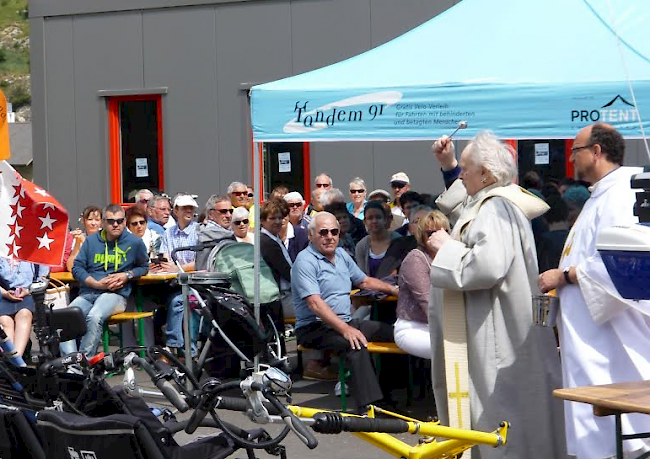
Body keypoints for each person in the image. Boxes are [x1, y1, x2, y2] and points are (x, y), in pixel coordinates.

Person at [428, 131, 566, 459]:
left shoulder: (497, 208)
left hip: (495, 338)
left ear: (486, 174)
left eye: (464, 169)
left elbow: (487, 266)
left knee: (499, 418)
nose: (460, 175)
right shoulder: (496, 201)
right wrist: (448, 164)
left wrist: (445, 249)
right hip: (490, 329)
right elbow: (466, 208)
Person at [538, 123, 650, 459]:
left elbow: (623, 260)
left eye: (575, 150)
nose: (570, 159)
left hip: (610, 337)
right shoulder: (601, 194)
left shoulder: (618, 195)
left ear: (596, 152)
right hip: (590, 333)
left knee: (619, 427)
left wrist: (566, 275)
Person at [292, 212, 400, 411]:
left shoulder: (341, 254)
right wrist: (345, 329)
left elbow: (364, 281)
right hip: (313, 328)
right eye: (323, 232)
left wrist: (395, 290)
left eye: (334, 232)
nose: (330, 236)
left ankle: (388, 398)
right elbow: (314, 304)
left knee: (396, 335)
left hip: (344, 321)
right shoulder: (305, 261)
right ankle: (369, 407)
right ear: (310, 235)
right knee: (355, 344)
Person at [60, 204, 149, 357]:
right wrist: (93, 282)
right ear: (103, 223)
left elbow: (144, 267)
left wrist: (127, 275)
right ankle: (71, 362)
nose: (116, 224)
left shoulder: (134, 242)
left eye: (120, 221)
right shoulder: (91, 241)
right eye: (111, 221)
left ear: (124, 221)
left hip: (115, 294)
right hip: (89, 292)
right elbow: (77, 268)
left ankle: (85, 362)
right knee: (64, 319)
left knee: (94, 316)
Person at [394, 210, 448, 359]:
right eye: (431, 233)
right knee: (452, 350)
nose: (437, 237)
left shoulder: (448, 258)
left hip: (438, 326)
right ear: (421, 237)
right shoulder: (416, 258)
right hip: (412, 328)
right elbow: (428, 302)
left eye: (443, 232)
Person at [154, 194, 201, 356]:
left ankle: (174, 345)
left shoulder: (199, 231)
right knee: (165, 301)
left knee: (177, 302)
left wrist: (177, 267)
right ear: (176, 211)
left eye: (191, 208)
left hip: (195, 284)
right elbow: (165, 258)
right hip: (175, 283)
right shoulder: (169, 233)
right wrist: (172, 267)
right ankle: (185, 352)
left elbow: (200, 262)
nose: (189, 211)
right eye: (185, 208)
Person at [0, 257, 48, 357]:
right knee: (5, 321)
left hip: (29, 293)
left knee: (24, 314)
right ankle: (8, 359)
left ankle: (16, 359)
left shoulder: (37, 251)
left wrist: (27, 291)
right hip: (4, 294)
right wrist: (4, 293)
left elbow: (43, 279)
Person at [259, 200, 293, 342]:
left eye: (280, 218)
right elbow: (288, 273)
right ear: (262, 221)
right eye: (272, 218)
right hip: (279, 299)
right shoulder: (267, 243)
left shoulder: (275, 239)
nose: (278, 221)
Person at [355, 201, 401, 278]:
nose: (374, 221)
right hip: (370, 288)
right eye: (370, 218)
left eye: (378, 217)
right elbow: (362, 276)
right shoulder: (361, 246)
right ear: (364, 221)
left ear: (385, 219)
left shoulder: (399, 241)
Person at [67, 205, 102, 272]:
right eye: (90, 219)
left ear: (101, 222)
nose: (93, 223)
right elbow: (70, 267)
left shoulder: (106, 238)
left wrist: (85, 242)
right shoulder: (79, 237)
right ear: (83, 221)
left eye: (97, 220)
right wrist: (77, 243)